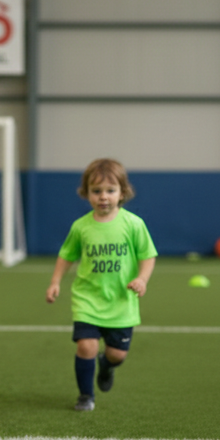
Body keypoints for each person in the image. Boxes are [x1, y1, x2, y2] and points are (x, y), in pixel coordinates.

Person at [45, 158, 157, 412]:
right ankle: (86, 395)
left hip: (120, 301)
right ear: (86, 194)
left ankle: (105, 366)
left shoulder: (133, 224)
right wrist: (55, 282)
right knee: (86, 345)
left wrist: (141, 279)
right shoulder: (81, 226)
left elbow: (148, 256)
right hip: (88, 298)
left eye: (110, 190)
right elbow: (67, 256)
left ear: (122, 193)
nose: (103, 197)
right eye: (96, 191)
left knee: (117, 355)